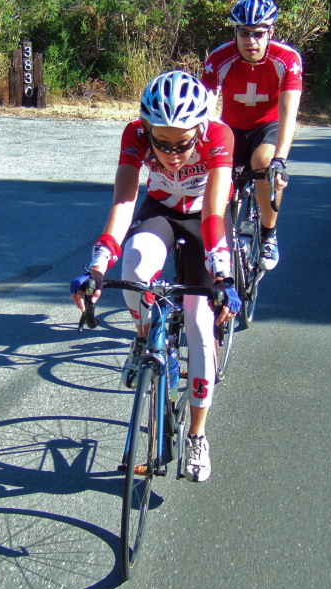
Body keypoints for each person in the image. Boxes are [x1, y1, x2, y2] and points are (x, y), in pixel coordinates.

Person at [70, 70, 241, 483]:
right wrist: (95, 269)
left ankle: (197, 434)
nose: (172, 154)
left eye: (183, 143)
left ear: (200, 127)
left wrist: (223, 277)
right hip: (162, 210)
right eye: (161, 143)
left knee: (200, 323)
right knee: (133, 264)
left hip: (207, 218)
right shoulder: (134, 134)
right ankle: (145, 335)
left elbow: (215, 214)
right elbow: (125, 204)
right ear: (146, 128)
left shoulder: (219, 136)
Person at [201, 0, 303, 271]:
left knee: (264, 163)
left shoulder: (287, 59)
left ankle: (268, 234)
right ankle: (222, 251)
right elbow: (205, 111)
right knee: (219, 184)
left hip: (267, 127)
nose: (251, 40)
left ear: (270, 31)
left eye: (258, 33)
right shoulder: (219, 58)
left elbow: (288, 114)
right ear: (235, 32)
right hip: (230, 128)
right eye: (244, 32)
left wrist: (279, 160)